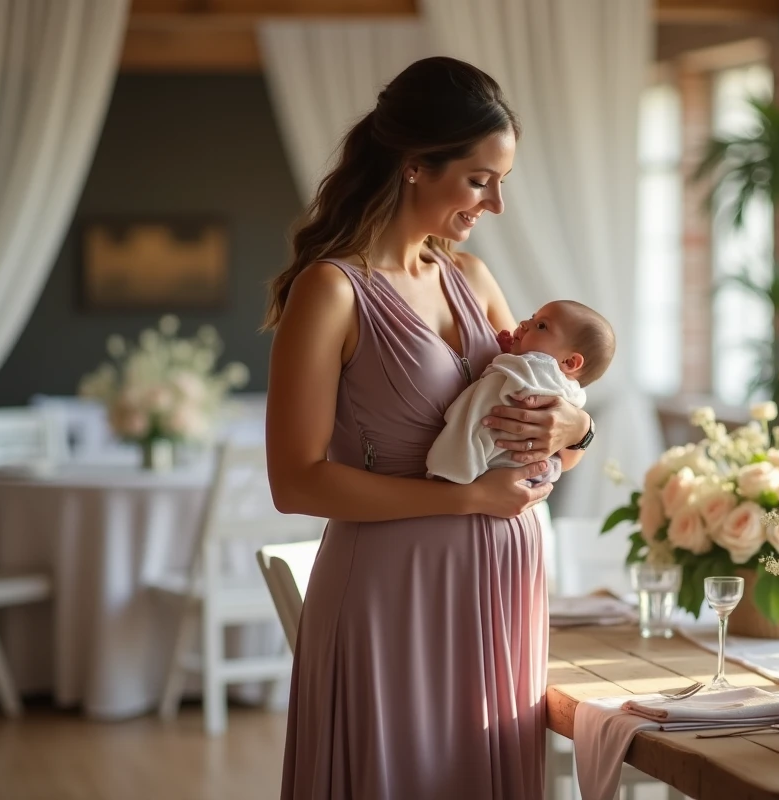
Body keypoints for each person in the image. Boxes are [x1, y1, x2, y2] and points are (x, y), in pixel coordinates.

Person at [263, 56, 594, 799]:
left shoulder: (472, 279)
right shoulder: (331, 291)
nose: (496, 203)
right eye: (480, 179)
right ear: (415, 165)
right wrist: (467, 501)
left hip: (505, 581)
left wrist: (577, 425)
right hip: (393, 586)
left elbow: (548, 436)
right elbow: (295, 482)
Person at [426, 300, 614, 486]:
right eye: (533, 318)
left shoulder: (534, 370)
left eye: (541, 326)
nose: (524, 323)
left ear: (570, 362)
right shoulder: (570, 390)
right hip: (538, 472)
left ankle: (452, 469)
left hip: (497, 465)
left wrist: (510, 357)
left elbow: (520, 374)